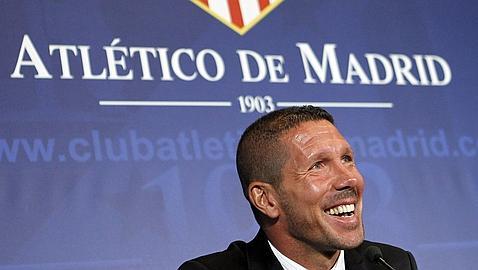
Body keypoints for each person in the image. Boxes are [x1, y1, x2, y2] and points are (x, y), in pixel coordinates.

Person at [179, 106, 418, 270]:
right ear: (266, 200)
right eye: (318, 166)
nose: (350, 179)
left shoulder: (392, 264)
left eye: (347, 159)